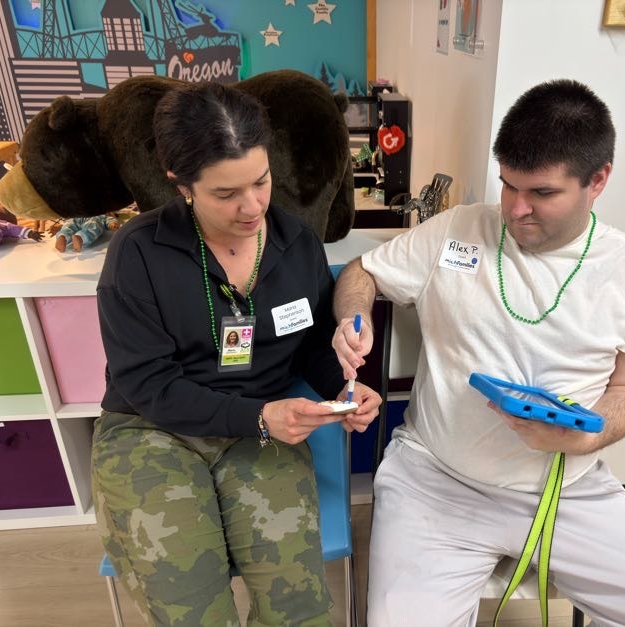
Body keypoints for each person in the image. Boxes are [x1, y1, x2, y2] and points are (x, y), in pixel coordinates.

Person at [332, 79, 625, 626]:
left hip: (569, 489)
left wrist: (590, 432)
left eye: (541, 193)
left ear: (597, 180)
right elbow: (361, 272)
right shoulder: (457, 230)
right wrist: (354, 315)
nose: (515, 209)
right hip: (436, 481)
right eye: (508, 185)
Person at [92, 81, 380, 627]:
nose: (252, 207)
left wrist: (341, 387)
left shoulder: (297, 244)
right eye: (226, 194)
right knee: (191, 607)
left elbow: (311, 348)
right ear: (182, 186)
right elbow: (150, 387)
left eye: (261, 182)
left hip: (260, 428)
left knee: (299, 607)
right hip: (151, 430)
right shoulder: (138, 254)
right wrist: (259, 416)